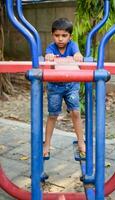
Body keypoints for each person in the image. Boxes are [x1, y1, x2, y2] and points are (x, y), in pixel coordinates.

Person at [44, 18, 85, 157]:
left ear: (70, 37)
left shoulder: (72, 46)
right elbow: (48, 56)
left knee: (75, 113)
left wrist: (78, 55)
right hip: (55, 86)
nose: (60, 39)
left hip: (71, 85)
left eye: (64, 36)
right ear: (52, 35)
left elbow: (77, 54)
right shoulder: (51, 48)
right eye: (57, 35)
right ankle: (47, 144)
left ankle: (81, 142)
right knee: (53, 115)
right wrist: (48, 56)